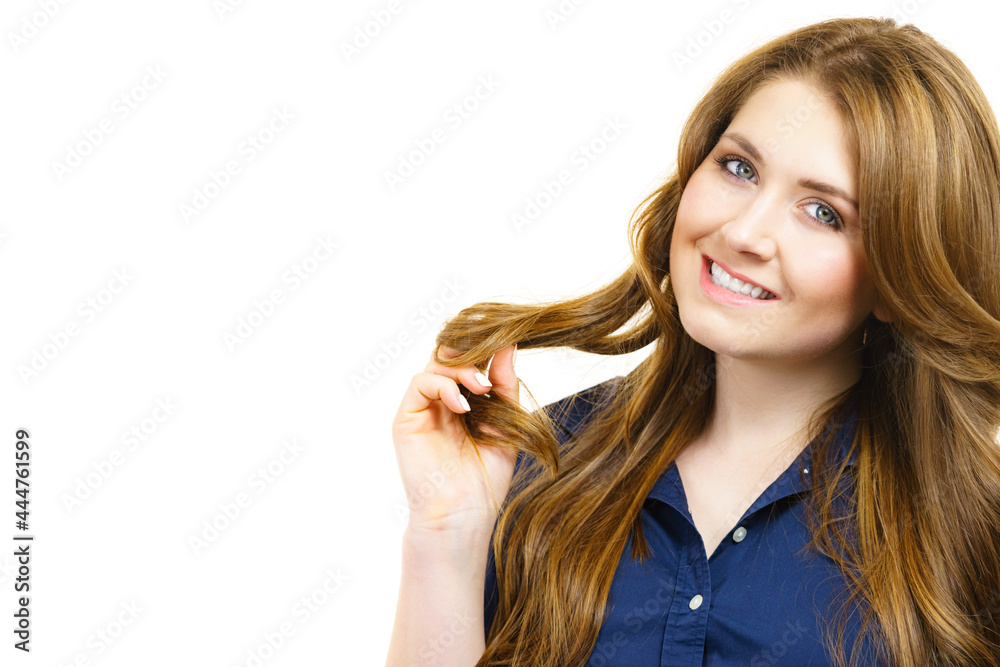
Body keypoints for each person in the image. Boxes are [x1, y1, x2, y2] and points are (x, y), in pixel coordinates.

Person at [386, 16, 1000, 667]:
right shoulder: (541, 461)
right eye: (738, 168)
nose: (744, 232)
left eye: (823, 212)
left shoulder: (970, 536)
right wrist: (446, 536)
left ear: (902, 272)